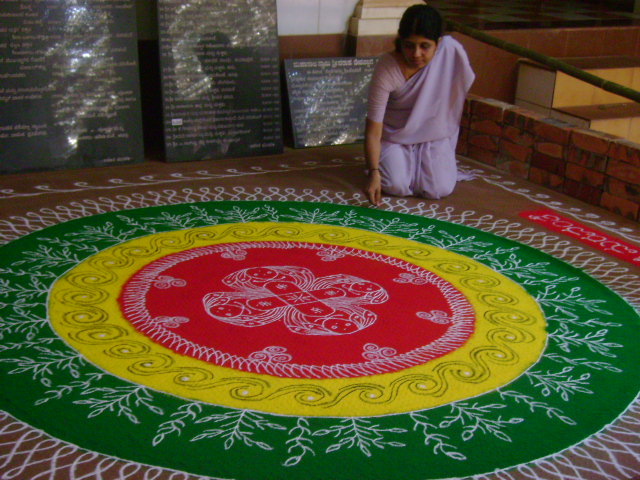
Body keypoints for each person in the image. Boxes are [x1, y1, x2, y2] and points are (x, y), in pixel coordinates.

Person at [364, 4, 475, 206]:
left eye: (425, 46)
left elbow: (459, 87)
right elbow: (373, 130)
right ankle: (394, 163)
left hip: (433, 134)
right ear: (400, 41)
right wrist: (373, 172)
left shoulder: (449, 53)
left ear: (438, 44)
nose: (416, 54)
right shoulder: (387, 68)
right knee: (395, 185)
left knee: (438, 188)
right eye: (409, 45)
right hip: (395, 136)